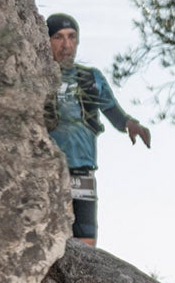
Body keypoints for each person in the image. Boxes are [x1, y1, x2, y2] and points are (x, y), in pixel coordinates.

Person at [44, 13, 151, 246]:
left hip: (83, 170)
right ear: (47, 40)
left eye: (71, 37)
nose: (66, 45)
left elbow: (113, 111)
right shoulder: (39, 74)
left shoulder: (90, 78)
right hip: (48, 170)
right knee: (49, 239)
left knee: (85, 244)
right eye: (59, 37)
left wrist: (131, 125)